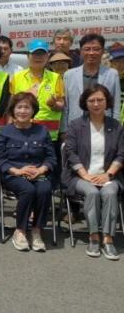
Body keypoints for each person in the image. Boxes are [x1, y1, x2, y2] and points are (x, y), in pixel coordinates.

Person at [63, 85, 123, 260]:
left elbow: (121, 154)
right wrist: (85, 175)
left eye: (100, 100)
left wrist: (108, 175)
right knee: (92, 192)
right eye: (92, 100)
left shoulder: (116, 126)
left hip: (109, 175)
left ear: (107, 102)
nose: (96, 104)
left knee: (110, 192)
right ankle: (94, 236)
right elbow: (70, 152)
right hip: (80, 176)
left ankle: (108, 239)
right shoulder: (76, 125)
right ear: (85, 103)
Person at [0, 92, 57, 252]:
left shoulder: (42, 131)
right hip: (13, 174)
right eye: (19, 107)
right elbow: (0, 160)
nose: (23, 111)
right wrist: (17, 171)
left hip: (38, 173)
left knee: (44, 189)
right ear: (13, 110)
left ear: (33, 110)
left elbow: (51, 158)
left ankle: (36, 231)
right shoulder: (4, 132)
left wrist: (41, 169)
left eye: (27, 107)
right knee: (28, 190)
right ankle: (20, 231)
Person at [62, 34, 120, 135]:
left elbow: (116, 105)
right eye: (87, 49)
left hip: (104, 128)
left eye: (96, 49)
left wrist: (115, 130)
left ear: (102, 51)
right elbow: (65, 107)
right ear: (81, 51)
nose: (91, 53)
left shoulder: (112, 74)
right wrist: (64, 131)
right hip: (76, 129)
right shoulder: (69, 75)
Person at [10, 39, 64, 141]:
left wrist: (54, 104)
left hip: (48, 135)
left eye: (42, 54)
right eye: (35, 54)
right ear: (28, 56)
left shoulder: (56, 78)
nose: (38, 57)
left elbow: (61, 106)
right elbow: (11, 106)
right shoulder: (17, 78)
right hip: (22, 133)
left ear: (47, 56)